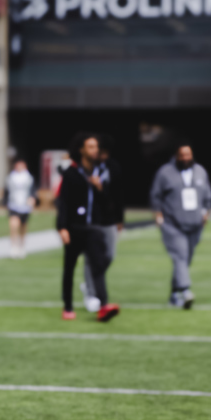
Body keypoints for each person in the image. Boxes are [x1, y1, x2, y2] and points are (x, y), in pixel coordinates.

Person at [57, 133, 119, 322]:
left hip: (94, 228)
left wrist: (99, 188)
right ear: (81, 149)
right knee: (69, 267)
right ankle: (68, 306)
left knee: (99, 266)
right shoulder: (72, 173)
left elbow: (108, 203)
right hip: (74, 227)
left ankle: (103, 305)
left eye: (96, 147)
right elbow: (63, 202)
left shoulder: (99, 173)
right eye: (90, 147)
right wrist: (62, 227)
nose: (95, 150)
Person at [150, 143, 211, 309]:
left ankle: (173, 295)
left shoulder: (200, 171)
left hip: (195, 224)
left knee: (184, 260)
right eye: (182, 155)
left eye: (188, 154)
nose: (186, 158)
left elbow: (207, 195)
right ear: (176, 156)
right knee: (180, 256)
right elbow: (156, 195)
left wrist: (206, 211)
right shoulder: (165, 172)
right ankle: (185, 291)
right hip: (172, 224)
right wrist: (158, 214)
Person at [81, 134, 124, 313]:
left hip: (109, 219)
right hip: (91, 221)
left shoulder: (113, 167)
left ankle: (91, 284)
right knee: (92, 259)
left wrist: (120, 218)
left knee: (109, 256)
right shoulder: (87, 168)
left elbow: (118, 194)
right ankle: (92, 294)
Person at [5, 158, 36, 258]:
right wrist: (5, 202)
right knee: (14, 225)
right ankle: (13, 246)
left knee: (23, 226)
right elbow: (6, 190)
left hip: (25, 206)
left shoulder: (28, 178)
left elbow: (33, 190)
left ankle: (21, 245)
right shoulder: (11, 177)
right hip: (14, 205)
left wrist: (32, 198)